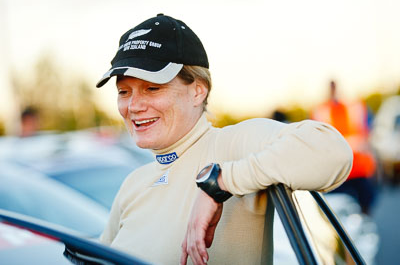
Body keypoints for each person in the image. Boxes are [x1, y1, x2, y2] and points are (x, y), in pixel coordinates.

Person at [96, 14, 353, 265]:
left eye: (152, 88)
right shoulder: (133, 184)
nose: (134, 105)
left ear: (198, 91)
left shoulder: (234, 145)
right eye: (123, 91)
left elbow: (333, 151)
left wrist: (219, 183)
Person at [311, 80, 377, 214]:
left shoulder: (356, 107)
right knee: (340, 209)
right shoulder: (320, 111)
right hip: (337, 170)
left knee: (363, 206)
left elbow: (368, 133)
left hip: (357, 168)